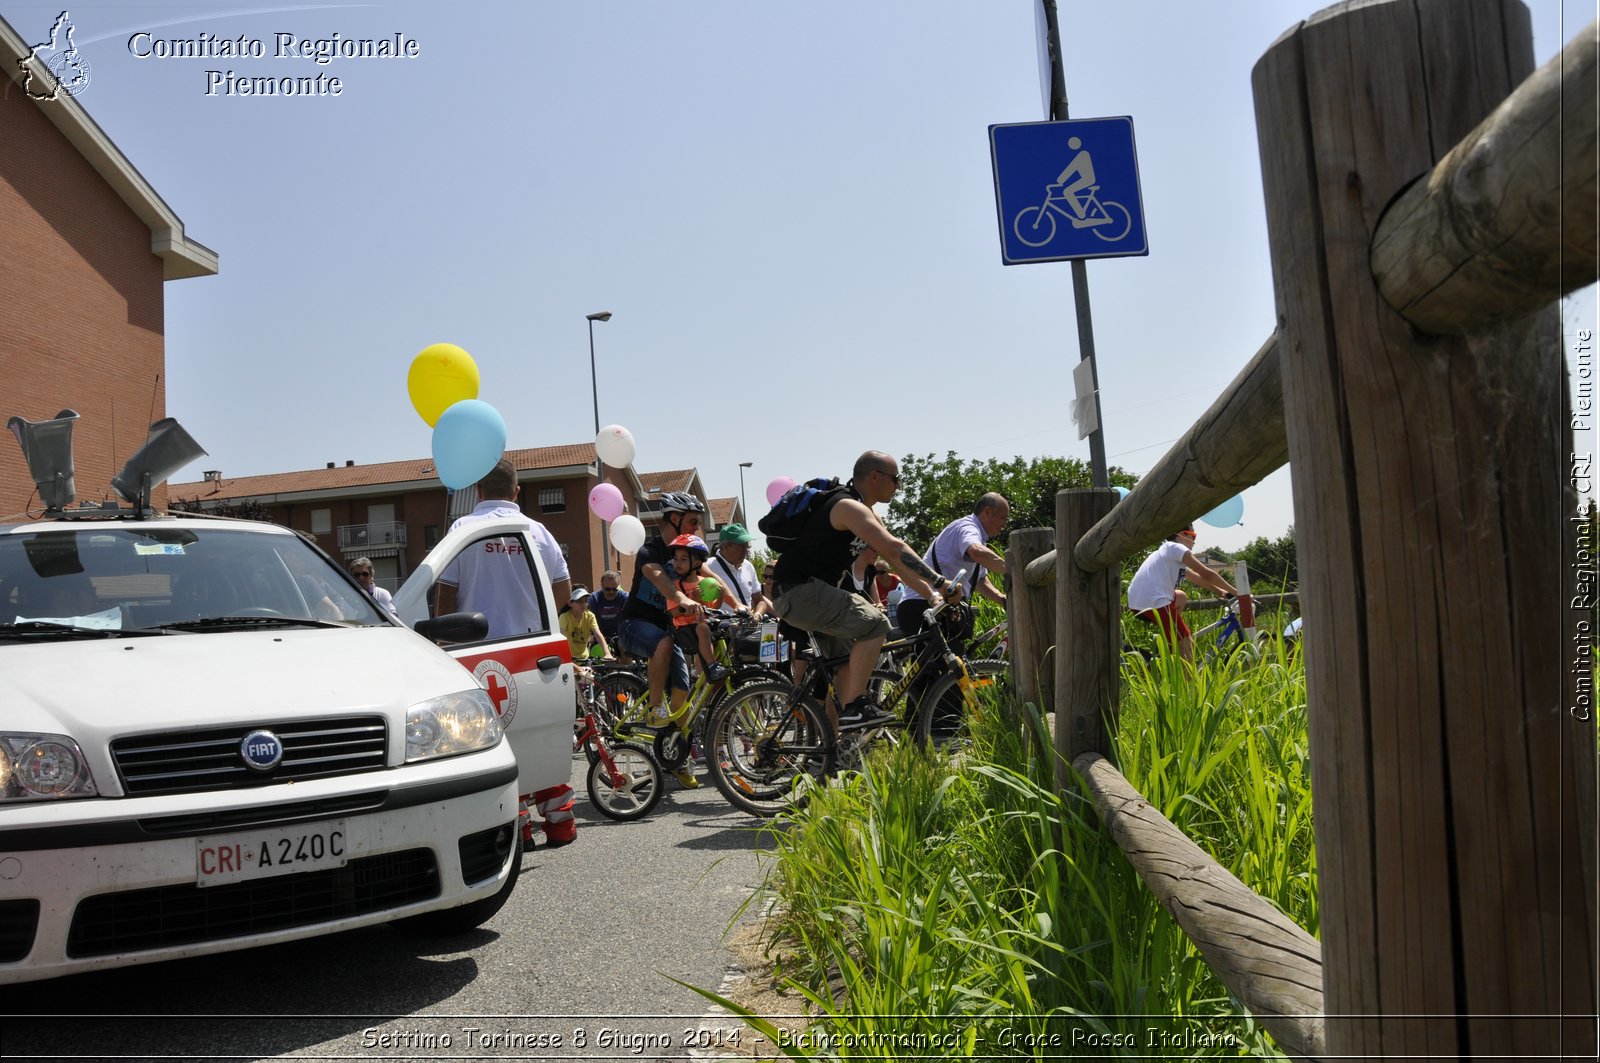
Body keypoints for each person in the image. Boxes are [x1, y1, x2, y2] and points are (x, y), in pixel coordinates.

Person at [768, 451, 959, 733]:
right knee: (875, 623)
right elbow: (897, 549)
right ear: (875, 477)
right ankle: (856, 707)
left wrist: (931, 594)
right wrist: (941, 582)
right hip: (799, 592)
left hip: (813, 594)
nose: (899, 486)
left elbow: (894, 559)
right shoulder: (848, 507)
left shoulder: (866, 513)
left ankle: (831, 750)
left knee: (845, 668)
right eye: (896, 480)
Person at [614, 491, 709, 787]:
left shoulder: (689, 554)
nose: (696, 528)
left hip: (668, 632)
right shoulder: (650, 552)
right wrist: (681, 597)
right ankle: (655, 707)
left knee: (685, 692)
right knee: (664, 644)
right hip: (633, 625)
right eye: (692, 521)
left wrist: (740, 605)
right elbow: (660, 580)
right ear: (674, 519)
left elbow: (711, 580)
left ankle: (676, 754)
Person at [436, 458, 571, 638]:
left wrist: (446, 640)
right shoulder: (540, 532)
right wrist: (541, 620)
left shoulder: (462, 528)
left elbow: (445, 593)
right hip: (530, 644)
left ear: (478, 490)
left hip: (475, 647)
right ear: (516, 491)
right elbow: (564, 589)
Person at [896, 493, 1010, 654]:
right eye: (1003, 518)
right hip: (922, 604)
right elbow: (976, 552)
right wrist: (1014, 568)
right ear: (987, 512)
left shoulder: (978, 535)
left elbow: (979, 580)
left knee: (952, 664)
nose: (1004, 524)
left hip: (941, 606)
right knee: (947, 669)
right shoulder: (967, 527)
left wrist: (1002, 599)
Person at [1127, 525, 1239, 662]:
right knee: (1188, 645)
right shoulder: (1176, 548)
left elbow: (1197, 577)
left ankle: (1173, 644)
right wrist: (1239, 593)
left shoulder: (1168, 553)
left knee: (1180, 596)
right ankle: (1187, 680)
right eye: (1193, 536)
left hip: (1140, 601)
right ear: (1182, 535)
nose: (1194, 541)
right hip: (1153, 602)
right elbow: (1207, 573)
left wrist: (1221, 591)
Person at [665, 534, 737, 684]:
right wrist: (694, 600)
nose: (677, 563)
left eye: (683, 559)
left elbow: (711, 610)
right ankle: (712, 666)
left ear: (697, 563)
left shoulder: (706, 583)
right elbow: (675, 612)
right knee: (703, 628)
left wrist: (721, 597)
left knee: (729, 627)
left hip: (703, 625)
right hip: (684, 630)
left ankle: (732, 664)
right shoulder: (675, 587)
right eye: (676, 559)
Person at [707, 524, 771, 619]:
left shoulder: (748, 566)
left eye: (746, 547)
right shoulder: (708, 566)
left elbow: (760, 601)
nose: (745, 551)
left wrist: (757, 615)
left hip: (748, 628)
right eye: (740, 547)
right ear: (724, 547)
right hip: (720, 628)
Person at [560, 586, 609, 660]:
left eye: (585, 601)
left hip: (584, 659)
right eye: (579, 601)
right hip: (569, 659)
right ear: (571, 603)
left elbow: (598, 634)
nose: (583, 604)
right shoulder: (564, 617)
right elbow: (561, 639)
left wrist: (607, 653)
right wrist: (566, 658)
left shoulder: (590, 616)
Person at [587, 570, 629, 648]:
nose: (611, 592)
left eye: (615, 589)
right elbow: (586, 619)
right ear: (601, 586)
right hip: (599, 637)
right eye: (608, 589)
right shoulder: (594, 599)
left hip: (619, 636)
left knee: (624, 645)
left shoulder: (625, 597)